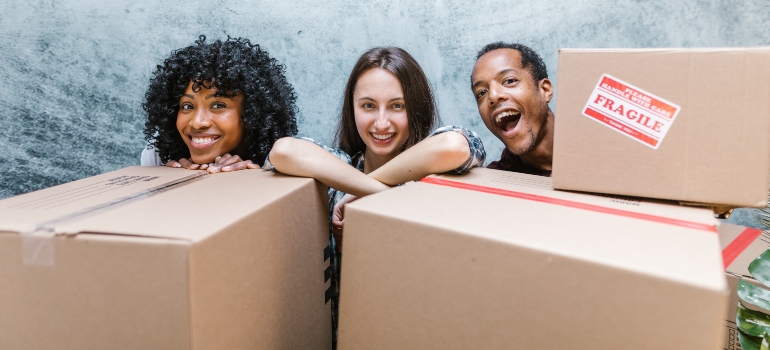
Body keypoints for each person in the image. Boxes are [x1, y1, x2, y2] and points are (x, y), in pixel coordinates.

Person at [266, 46, 486, 348]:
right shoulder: (337, 172)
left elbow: (455, 147)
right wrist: (378, 194)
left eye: (397, 106)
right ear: (352, 108)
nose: (382, 123)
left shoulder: (430, 181)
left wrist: (370, 193)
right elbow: (284, 151)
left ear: (417, 108)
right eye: (368, 106)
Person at [141, 35, 298, 171]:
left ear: (253, 114)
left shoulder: (290, 157)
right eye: (187, 106)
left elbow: (288, 151)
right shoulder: (159, 156)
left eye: (218, 106)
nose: (197, 123)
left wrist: (255, 177)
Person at [471, 42, 554, 176]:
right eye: (481, 93)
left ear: (544, 90)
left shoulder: (595, 140)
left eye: (509, 81)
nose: (493, 96)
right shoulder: (494, 184)